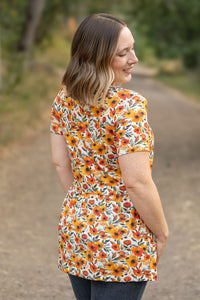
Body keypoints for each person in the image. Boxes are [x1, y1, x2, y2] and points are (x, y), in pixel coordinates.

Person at [50, 13, 169, 300]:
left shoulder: (64, 99)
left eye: (133, 48)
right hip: (122, 240)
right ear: (96, 57)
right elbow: (137, 183)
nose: (135, 59)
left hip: (77, 229)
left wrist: (88, 207)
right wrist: (162, 231)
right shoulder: (129, 107)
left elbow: (60, 162)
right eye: (123, 53)